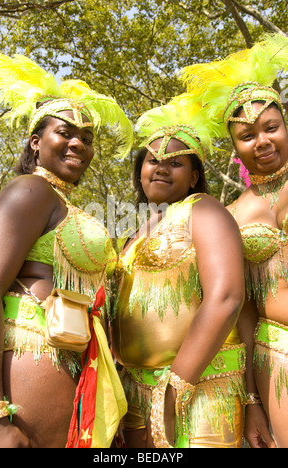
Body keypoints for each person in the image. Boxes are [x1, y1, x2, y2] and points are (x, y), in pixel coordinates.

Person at [0, 53, 132, 448]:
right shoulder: (30, 190)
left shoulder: (62, 203)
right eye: (64, 133)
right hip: (30, 360)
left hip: (78, 366)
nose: (78, 144)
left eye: (86, 139)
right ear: (36, 142)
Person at [109, 99, 247, 448]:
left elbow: (227, 298)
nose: (161, 168)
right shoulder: (132, 232)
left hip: (201, 391)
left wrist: (173, 391)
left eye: (176, 163)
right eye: (153, 160)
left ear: (194, 177)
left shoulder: (203, 210)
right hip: (135, 396)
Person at [181, 33, 288, 448]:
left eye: (271, 128)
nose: (261, 142)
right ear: (235, 148)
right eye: (247, 136)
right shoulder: (230, 216)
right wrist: (251, 401)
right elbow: (239, 309)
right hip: (273, 355)